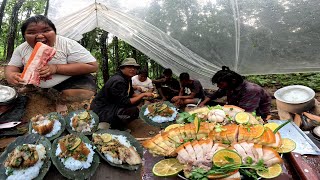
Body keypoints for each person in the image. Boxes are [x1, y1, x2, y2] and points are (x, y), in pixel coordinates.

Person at [5, 15, 98, 111]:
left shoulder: (68, 44)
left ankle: (61, 101)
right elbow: (12, 67)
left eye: (46, 31)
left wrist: (56, 68)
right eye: (31, 32)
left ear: (55, 32)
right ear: (24, 36)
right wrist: (11, 75)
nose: (40, 36)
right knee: (26, 65)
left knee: (86, 92)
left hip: (66, 79)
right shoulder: (22, 48)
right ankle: (32, 86)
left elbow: (93, 66)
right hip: (34, 78)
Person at [90, 58, 153, 130]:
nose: (133, 69)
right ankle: (113, 125)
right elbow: (125, 102)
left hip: (112, 105)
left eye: (135, 68)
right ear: (122, 68)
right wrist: (143, 95)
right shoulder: (118, 81)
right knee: (134, 110)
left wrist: (145, 96)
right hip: (103, 109)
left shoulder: (127, 78)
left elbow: (131, 94)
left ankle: (115, 122)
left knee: (137, 102)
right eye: (129, 67)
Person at [199, 66, 271, 119]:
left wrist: (219, 113)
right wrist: (203, 103)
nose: (218, 86)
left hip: (255, 114)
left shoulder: (251, 90)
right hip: (236, 108)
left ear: (233, 81)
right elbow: (215, 94)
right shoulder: (229, 86)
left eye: (220, 84)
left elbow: (245, 112)